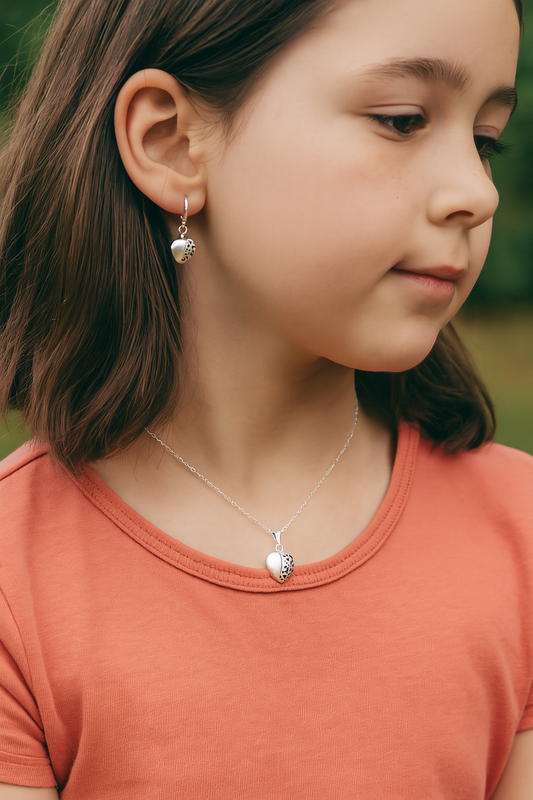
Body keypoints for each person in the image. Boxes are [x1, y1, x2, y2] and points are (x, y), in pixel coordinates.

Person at [0, 0, 531, 796]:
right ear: (171, 143)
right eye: (401, 120)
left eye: (485, 139)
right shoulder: (15, 580)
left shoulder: (519, 536)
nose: (475, 192)